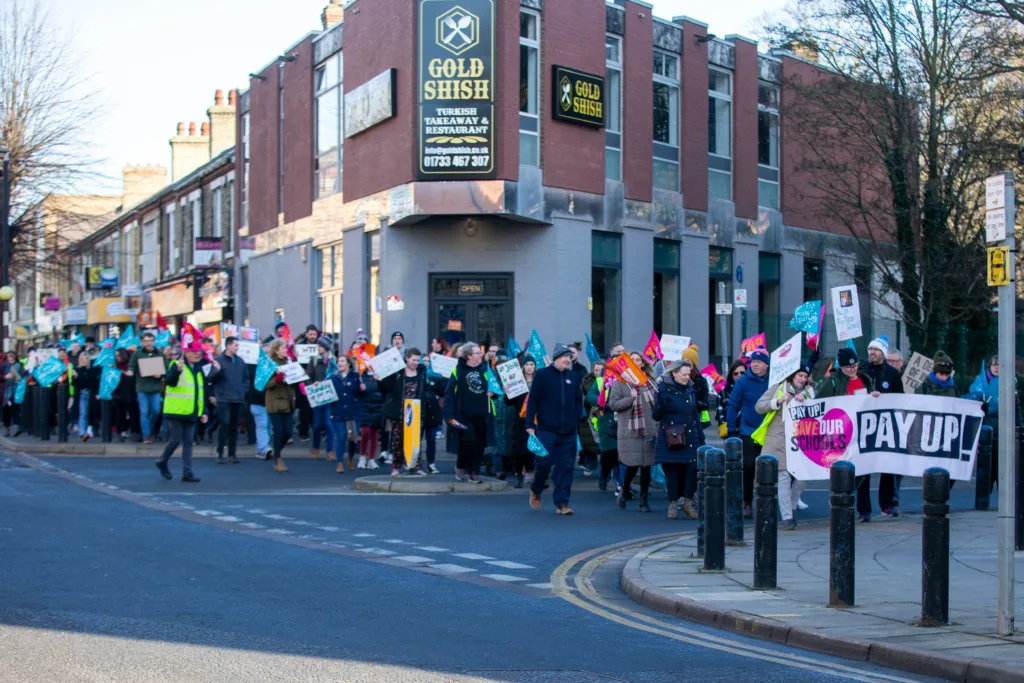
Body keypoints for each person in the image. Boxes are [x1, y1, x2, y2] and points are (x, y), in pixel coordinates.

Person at [754, 354, 817, 529]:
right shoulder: (779, 387)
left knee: (802, 476)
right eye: (800, 376)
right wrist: (779, 401)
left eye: (805, 377)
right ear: (792, 375)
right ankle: (788, 517)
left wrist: (805, 400)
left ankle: (791, 505)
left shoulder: (810, 391)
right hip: (779, 438)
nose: (803, 380)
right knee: (783, 476)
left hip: (801, 439)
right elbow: (759, 406)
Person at [817, 347, 879, 522]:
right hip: (841, 432)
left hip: (862, 432)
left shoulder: (865, 380)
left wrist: (875, 396)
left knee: (863, 468)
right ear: (841, 367)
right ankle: (840, 497)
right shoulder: (833, 382)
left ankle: (845, 494)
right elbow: (819, 401)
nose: (852, 370)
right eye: (848, 367)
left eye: (855, 366)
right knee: (843, 467)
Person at [525, 344, 583, 514]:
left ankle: (562, 503)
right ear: (556, 358)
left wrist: (577, 417)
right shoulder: (542, 375)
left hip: (569, 431)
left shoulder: (573, 376)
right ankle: (536, 489)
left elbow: (578, 400)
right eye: (564, 357)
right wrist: (529, 425)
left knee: (566, 467)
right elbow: (533, 401)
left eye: (569, 357)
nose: (567, 360)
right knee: (544, 463)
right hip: (546, 429)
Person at [607, 352, 658, 513]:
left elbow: (657, 405)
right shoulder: (620, 383)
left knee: (646, 465)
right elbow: (613, 404)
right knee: (632, 463)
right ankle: (625, 488)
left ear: (642, 363)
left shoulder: (650, 382)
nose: (635, 362)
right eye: (632, 360)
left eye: (638, 360)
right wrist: (630, 398)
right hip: (630, 429)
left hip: (649, 428)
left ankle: (644, 499)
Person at [654, 359, 704, 519]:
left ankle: (688, 502)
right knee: (672, 471)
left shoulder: (689, 389)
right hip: (672, 437)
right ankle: (672, 504)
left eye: (688, 374)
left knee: (692, 469)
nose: (687, 377)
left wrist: (701, 437)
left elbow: (695, 414)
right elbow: (656, 415)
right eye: (684, 374)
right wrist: (660, 405)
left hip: (690, 435)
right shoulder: (663, 390)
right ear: (674, 373)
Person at [155, 341, 208, 483]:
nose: (197, 354)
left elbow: (201, 392)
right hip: (176, 409)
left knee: (189, 442)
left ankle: (187, 473)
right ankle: (162, 461)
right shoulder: (175, 365)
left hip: (191, 411)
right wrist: (177, 370)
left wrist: (203, 411)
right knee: (175, 440)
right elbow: (170, 382)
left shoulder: (198, 369)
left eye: (198, 351)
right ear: (186, 352)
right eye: (193, 351)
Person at [863, 336, 905, 517]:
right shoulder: (861, 370)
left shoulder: (892, 374)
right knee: (863, 467)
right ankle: (863, 509)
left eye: (876, 350)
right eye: (870, 349)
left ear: (883, 353)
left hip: (886, 425)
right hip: (864, 425)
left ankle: (887, 504)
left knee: (887, 466)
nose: (872, 353)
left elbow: (900, 398)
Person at [726, 348, 771, 518]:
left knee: (769, 467)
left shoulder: (775, 380)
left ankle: (767, 501)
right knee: (749, 467)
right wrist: (731, 430)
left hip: (770, 431)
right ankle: (746, 501)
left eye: (759, 362)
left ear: (767, 365)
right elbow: (733, 405)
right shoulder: (742, 382)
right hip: (749, 431)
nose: (755, 364)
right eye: (753, 362)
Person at [382, 348, 438, 477]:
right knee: (397, 441)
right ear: (407, 358)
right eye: (413, 360)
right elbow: (386, 387)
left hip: (416, 411)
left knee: (415, 442)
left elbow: (430, 387)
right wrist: (379, 379)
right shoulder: (398, 372)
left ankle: (415, 467)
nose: (416, 363)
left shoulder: (422, 372)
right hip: (399, 412)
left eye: (418, 360)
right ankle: (396, 467)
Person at [443, 343, 491, 482]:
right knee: (468, 441)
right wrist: (449, 414)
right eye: (477, 353)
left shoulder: (485, 370)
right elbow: (449, 393)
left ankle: (474, 471)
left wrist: (493, 393)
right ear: (469, 356)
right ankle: (462, 465)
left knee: (480, 444)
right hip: (464, 414)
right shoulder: (458, 370)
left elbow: (494, 388)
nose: (480, 354)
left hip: (482, 414)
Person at [207, 336, 249, 465]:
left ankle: (232, 454)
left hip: (237, 398)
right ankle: (220, 453)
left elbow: (246, 379)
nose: (237, 348)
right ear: (228, 346)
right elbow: (210, 379)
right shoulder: (218, 360)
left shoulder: (241, 362)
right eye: (235, 345)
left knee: (233, 428)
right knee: (224, 425)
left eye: (238, 345)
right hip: (223, 398)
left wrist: (243, 391)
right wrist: (217, 371)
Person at [504, 354, 537, 489]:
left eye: (532, 365)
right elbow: (509, 402)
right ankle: (519, 475)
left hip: (535, 419)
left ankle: (530, 472)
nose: (529, 368)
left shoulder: (538, 381)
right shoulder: (517, 381)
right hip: (519, 419)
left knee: (532, 448)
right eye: (527, 365)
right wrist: (507, 392)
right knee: (519, 448)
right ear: (522, 367)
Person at [127, 332, 166, 444]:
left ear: (154, 341)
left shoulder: (159, 353)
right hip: (142, 387)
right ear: (142, 342)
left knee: (156, 410)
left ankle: (148, 428)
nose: (148, 343)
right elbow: (131, 366)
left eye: (150, 340)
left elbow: (166, 369)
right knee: (144, 412)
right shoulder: (137, 353)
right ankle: (146, 435)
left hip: (155, 388)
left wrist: (161, 374)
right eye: (146, 341)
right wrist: (130, 371)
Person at [586, 362, 618, 492]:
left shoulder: (625, 380)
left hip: (622, 418)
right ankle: (604, 475)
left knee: (620, 451)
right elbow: (590, 397)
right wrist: (604, 403)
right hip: (607, 420)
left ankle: (620, 481)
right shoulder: (600, 381)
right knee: (608, 451)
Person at [264, 339, 295, 473]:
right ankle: (278, 459)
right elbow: (264, 384)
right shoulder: (269, 364)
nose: (285, 350)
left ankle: (276, 451)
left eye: (286, 348)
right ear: (276, 350)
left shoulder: (288, 363)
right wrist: (276, 379)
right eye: (283, 348)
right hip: (274, 403)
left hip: (287, 402)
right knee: (279, 431)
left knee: (288, 432)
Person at [329, 354, 362, 473]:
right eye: (338, 361)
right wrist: (318, 386)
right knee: (341, 437)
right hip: (338, 412)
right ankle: (339, 462)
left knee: (353, 438)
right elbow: (326, 391)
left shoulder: (355, 377)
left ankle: (351, 458)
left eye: (342, 361)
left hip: (352, 413)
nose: (340, 363)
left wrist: (363, 389)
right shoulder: (333, 378)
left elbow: (361, 395)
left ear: (348, 364)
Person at [307, 336, 335, 460]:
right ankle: (315, 448)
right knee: (317, 424)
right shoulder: (313, 360)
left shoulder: (334, 361)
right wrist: (312, 385)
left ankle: (330, 450)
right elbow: (308, 377)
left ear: (325, 347)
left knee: (329, 424)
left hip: (330, 396)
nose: (318, 348)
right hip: (318, 395)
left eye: (320, 346)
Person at [247, 338, 273, 460]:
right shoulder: (253, 368)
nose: (267, 355)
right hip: (258, 402)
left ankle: (260, 449)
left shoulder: (274, 368)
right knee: (262, 425)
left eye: (269, 353)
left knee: (268, 427)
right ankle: (264, 449)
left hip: (270, 403)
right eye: (265, 353)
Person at [356, 363, 384, 470]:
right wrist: (360, 389)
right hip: (364, 406)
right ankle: (362, 457)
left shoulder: (379, 375)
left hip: (377, 406)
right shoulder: (360, 375)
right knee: (365, 432)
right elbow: (356, 391)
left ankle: (371, 459)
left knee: (374, 434)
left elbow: (384, 389)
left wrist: (380, 381)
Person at [112, 349, 140, 442]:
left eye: (118, 355)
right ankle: (121, 431)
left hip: (130, 392)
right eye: (116, 356)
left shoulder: (130, 365)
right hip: (118, 393)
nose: (117, 358)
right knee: (120, 414)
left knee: (133, 413)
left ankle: (135, 432)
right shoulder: (115, 365)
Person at [717, 360, 747, 435]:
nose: (739, 375)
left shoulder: (751, 389)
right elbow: (720, 414)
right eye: (736, 373)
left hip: (748, 431)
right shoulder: (723, 392)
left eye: (742, 373)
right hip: (730, 431)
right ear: (731, 375)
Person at [2, 351, 22, 437]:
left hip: (16, 391)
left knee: (15, 410)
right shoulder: (3, 366)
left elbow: (23, 376)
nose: (11, 358)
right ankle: (7, 428)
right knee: (6, 411)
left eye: (12, 357)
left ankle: (16, 428)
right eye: (9, 357)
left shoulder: (19, 365)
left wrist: (18, 377)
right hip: (5, 392)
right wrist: (4, 377)